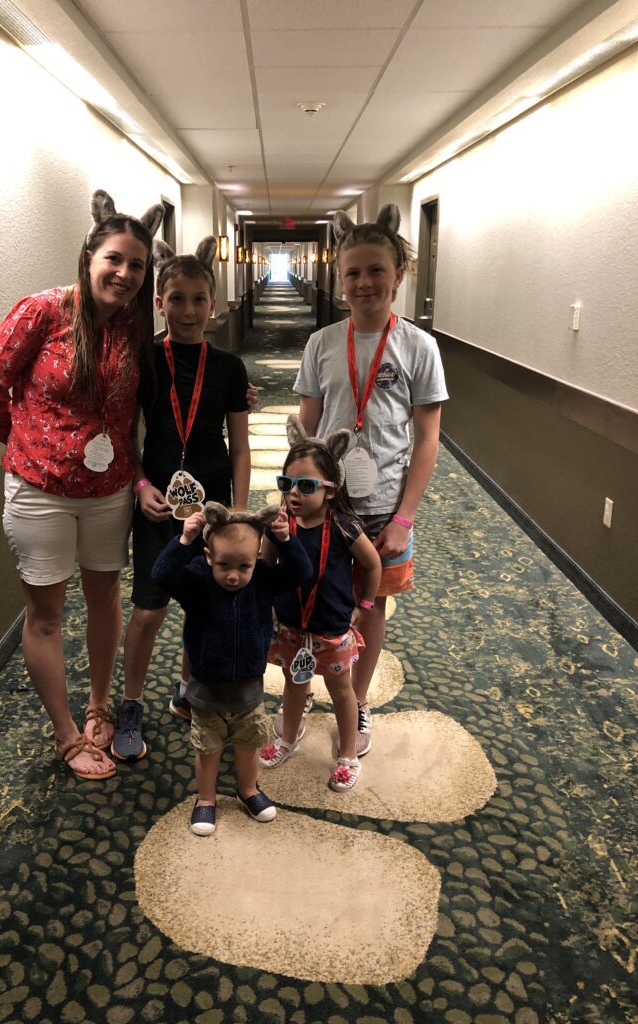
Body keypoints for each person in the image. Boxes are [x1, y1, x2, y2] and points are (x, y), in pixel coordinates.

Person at [0, 189, 163, 781]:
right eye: (115, 259)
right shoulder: (43, 311)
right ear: (90, 257)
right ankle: (67, 733)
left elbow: (143, 402)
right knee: (46, 614)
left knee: (104, 599)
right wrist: (32, 445)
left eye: (136, 264)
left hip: (108, 493)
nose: (124, 273)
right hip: (40, 493)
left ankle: (100, 705)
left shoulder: (133, 327)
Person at [293, 205, 448, 756]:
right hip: (325, 504)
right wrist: (295, 494)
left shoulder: (418, 348)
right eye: (353, 272)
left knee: (369, 603)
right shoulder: (322, 344)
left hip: (383, 503)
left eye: (376, 270)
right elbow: (306, 428)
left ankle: (354, 703)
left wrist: (405, 519)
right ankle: (313, 686)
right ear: (340, 277)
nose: (364, 283)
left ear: (398, 274)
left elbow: (427, 439)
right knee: (312, 597)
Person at [111, 237, 252, 763]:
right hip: (156, 503)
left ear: (213, 305)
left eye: (198, 299)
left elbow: (239, 446)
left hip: (212, 504)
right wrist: (140, 484)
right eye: (177, 299)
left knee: (205, 601)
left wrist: (238, 513)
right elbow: (125, 433)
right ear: (158, 302)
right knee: (148, 608)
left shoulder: (230, 367)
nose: (188, 311)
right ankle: (129, 704)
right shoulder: (142, 359)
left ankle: (189, 689)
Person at [151, 502, 313, 835]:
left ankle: (249, 789)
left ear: (257, 559)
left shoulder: (263, 581)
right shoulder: (197, 578)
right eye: (223, 564)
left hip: (249, 690)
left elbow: (302, 573)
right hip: (206, 691)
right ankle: (206, 799)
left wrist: (285, 540)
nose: (234, 575)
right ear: (209, 556)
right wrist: (184, 541)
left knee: (248, 745)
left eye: (244, 565)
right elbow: (162, 576)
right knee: (208, 749)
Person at [258, 417, 381, 790]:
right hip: (292, 625)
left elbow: (372, 563)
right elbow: (266, 566)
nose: (294, 493)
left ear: (330, 490)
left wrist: (365, 602)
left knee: (342, 691)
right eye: (287, 484)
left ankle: (346, 755)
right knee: (294, 685)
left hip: (332, 626)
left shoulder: (344, 526)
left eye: (306, 486)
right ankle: (287, 739)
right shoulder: (280, 526)